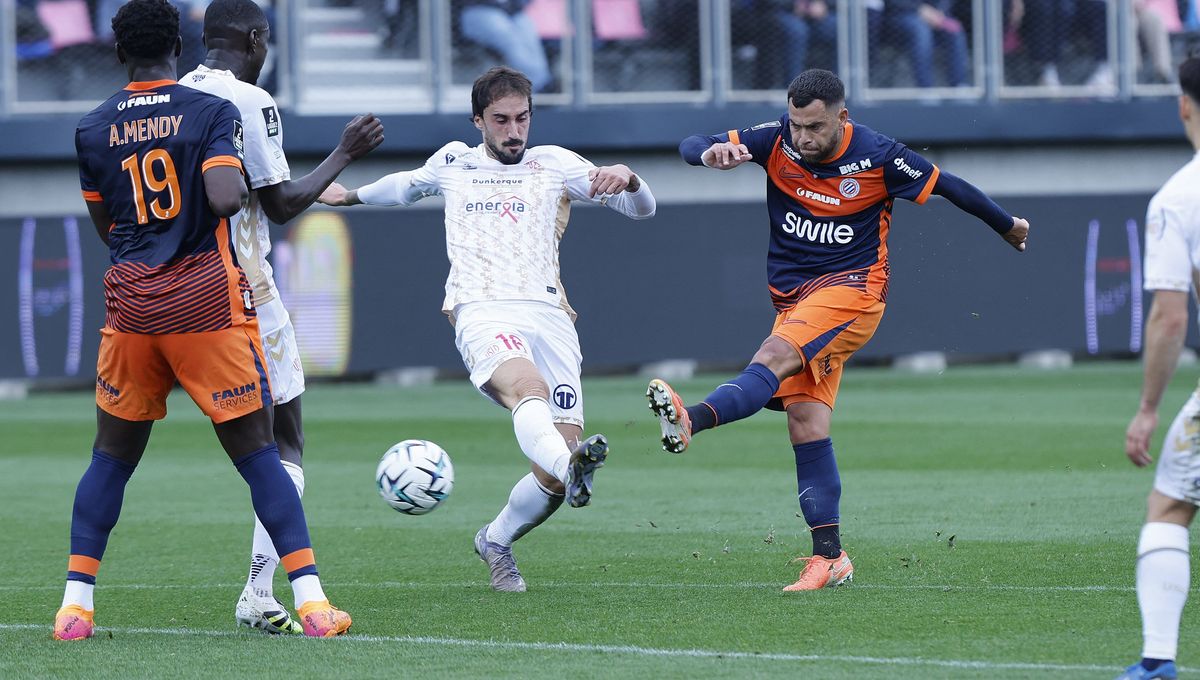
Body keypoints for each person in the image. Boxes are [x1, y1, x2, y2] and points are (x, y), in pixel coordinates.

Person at [647, 68, 1029, 592]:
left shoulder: (878, 155)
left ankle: (691, 418)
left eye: (815, 127)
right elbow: (692, 143)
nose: (803, 137)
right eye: (796, 125)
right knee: (806, 424)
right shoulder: (776, 139)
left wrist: (1007, 224)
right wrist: (710, 153)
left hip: (854, 292)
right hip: (796, 300)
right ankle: (830, 557)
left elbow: (950, 186)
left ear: (842, 118)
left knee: (772, 356)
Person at [55, 0, 350, 640]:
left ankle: (75, 608)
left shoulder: (92, 126)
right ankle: (313, 603)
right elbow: (225, 198)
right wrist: (223, 185)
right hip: (204, 306)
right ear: (178, 47)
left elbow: (109, 227)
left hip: (132, 307)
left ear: (118, 53)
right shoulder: (212, 111)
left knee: (110, 459)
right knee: (261, 456)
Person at [318, 66, 656, 592]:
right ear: (478, 120)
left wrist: (630, 179)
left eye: (522, 118)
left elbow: (642, 211)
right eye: (501, 120)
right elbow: (405, 186)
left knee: (550, 478)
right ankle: (573, 466)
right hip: (482, 309)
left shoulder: (556, 164)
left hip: (551, 317)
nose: (514, 131)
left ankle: (496, 539)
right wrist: (349, 196)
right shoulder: (455, 162)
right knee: (528, 388)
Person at [181, 0, 383, 634]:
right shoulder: (249, 100)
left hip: (180, 291)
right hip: (246, 292)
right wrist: (345, 151)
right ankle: (264, 592)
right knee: (282, 442)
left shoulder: (176, 94)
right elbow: (281, 204)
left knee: (121, 448)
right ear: (255, 39)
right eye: (265, 42)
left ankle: (79, 593)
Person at [1117, 55, 1200, 680]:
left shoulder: (1178, 199)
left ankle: (1156, 662)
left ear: (1183, 104)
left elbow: (1170, 317)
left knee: (1170, 504)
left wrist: (1148, 408)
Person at [458, 1, 552, 92]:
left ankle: (541, 82)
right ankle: (537, 85)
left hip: (510, 12)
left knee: (526, 27)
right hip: (478, 10)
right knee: (509, 37)